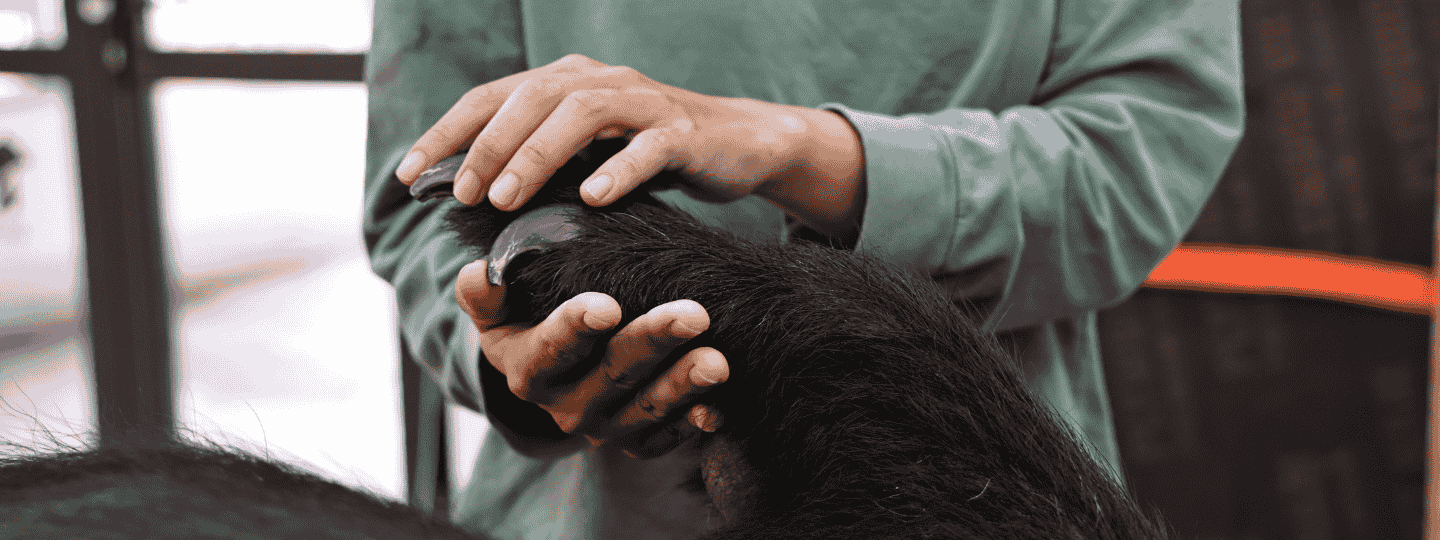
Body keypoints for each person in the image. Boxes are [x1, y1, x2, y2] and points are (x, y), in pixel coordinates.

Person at [362, 1, 1244, 539]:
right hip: (587, 510)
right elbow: (427, 182)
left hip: (970, 496)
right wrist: (518, 355)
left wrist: (783, 144)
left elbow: (1136, 158)